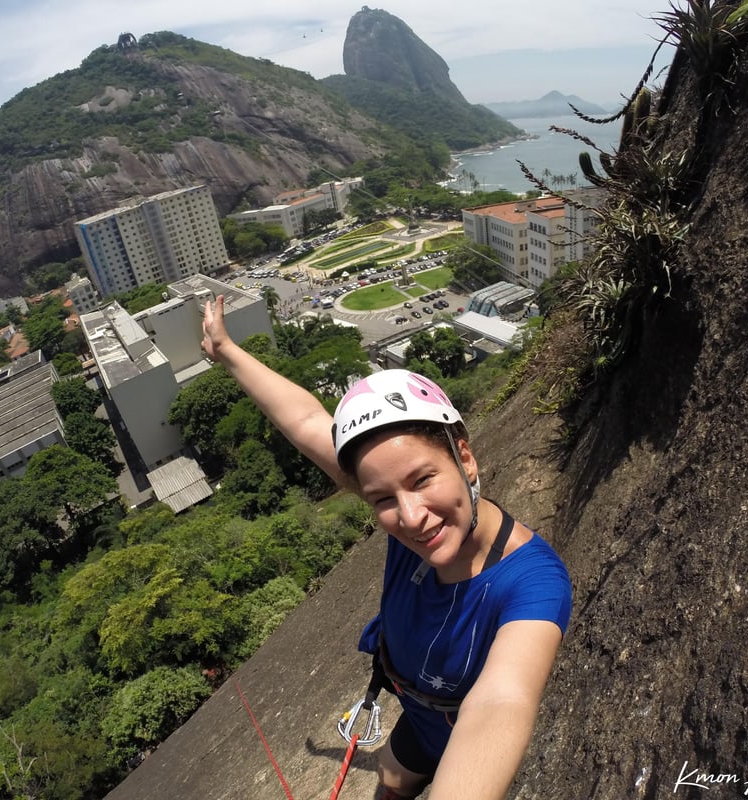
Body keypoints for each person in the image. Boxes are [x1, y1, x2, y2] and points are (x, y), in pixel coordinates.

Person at [201, 295, 572, 800]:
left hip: (460, 737)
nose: (412, 517)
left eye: (423, 479)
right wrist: (225, 351)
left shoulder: (533, 582)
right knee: (390, 781)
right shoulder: (409, 521)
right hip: (418, 723)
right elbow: (310, 422)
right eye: (382, 499)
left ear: (464, 457)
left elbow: (499, 703)